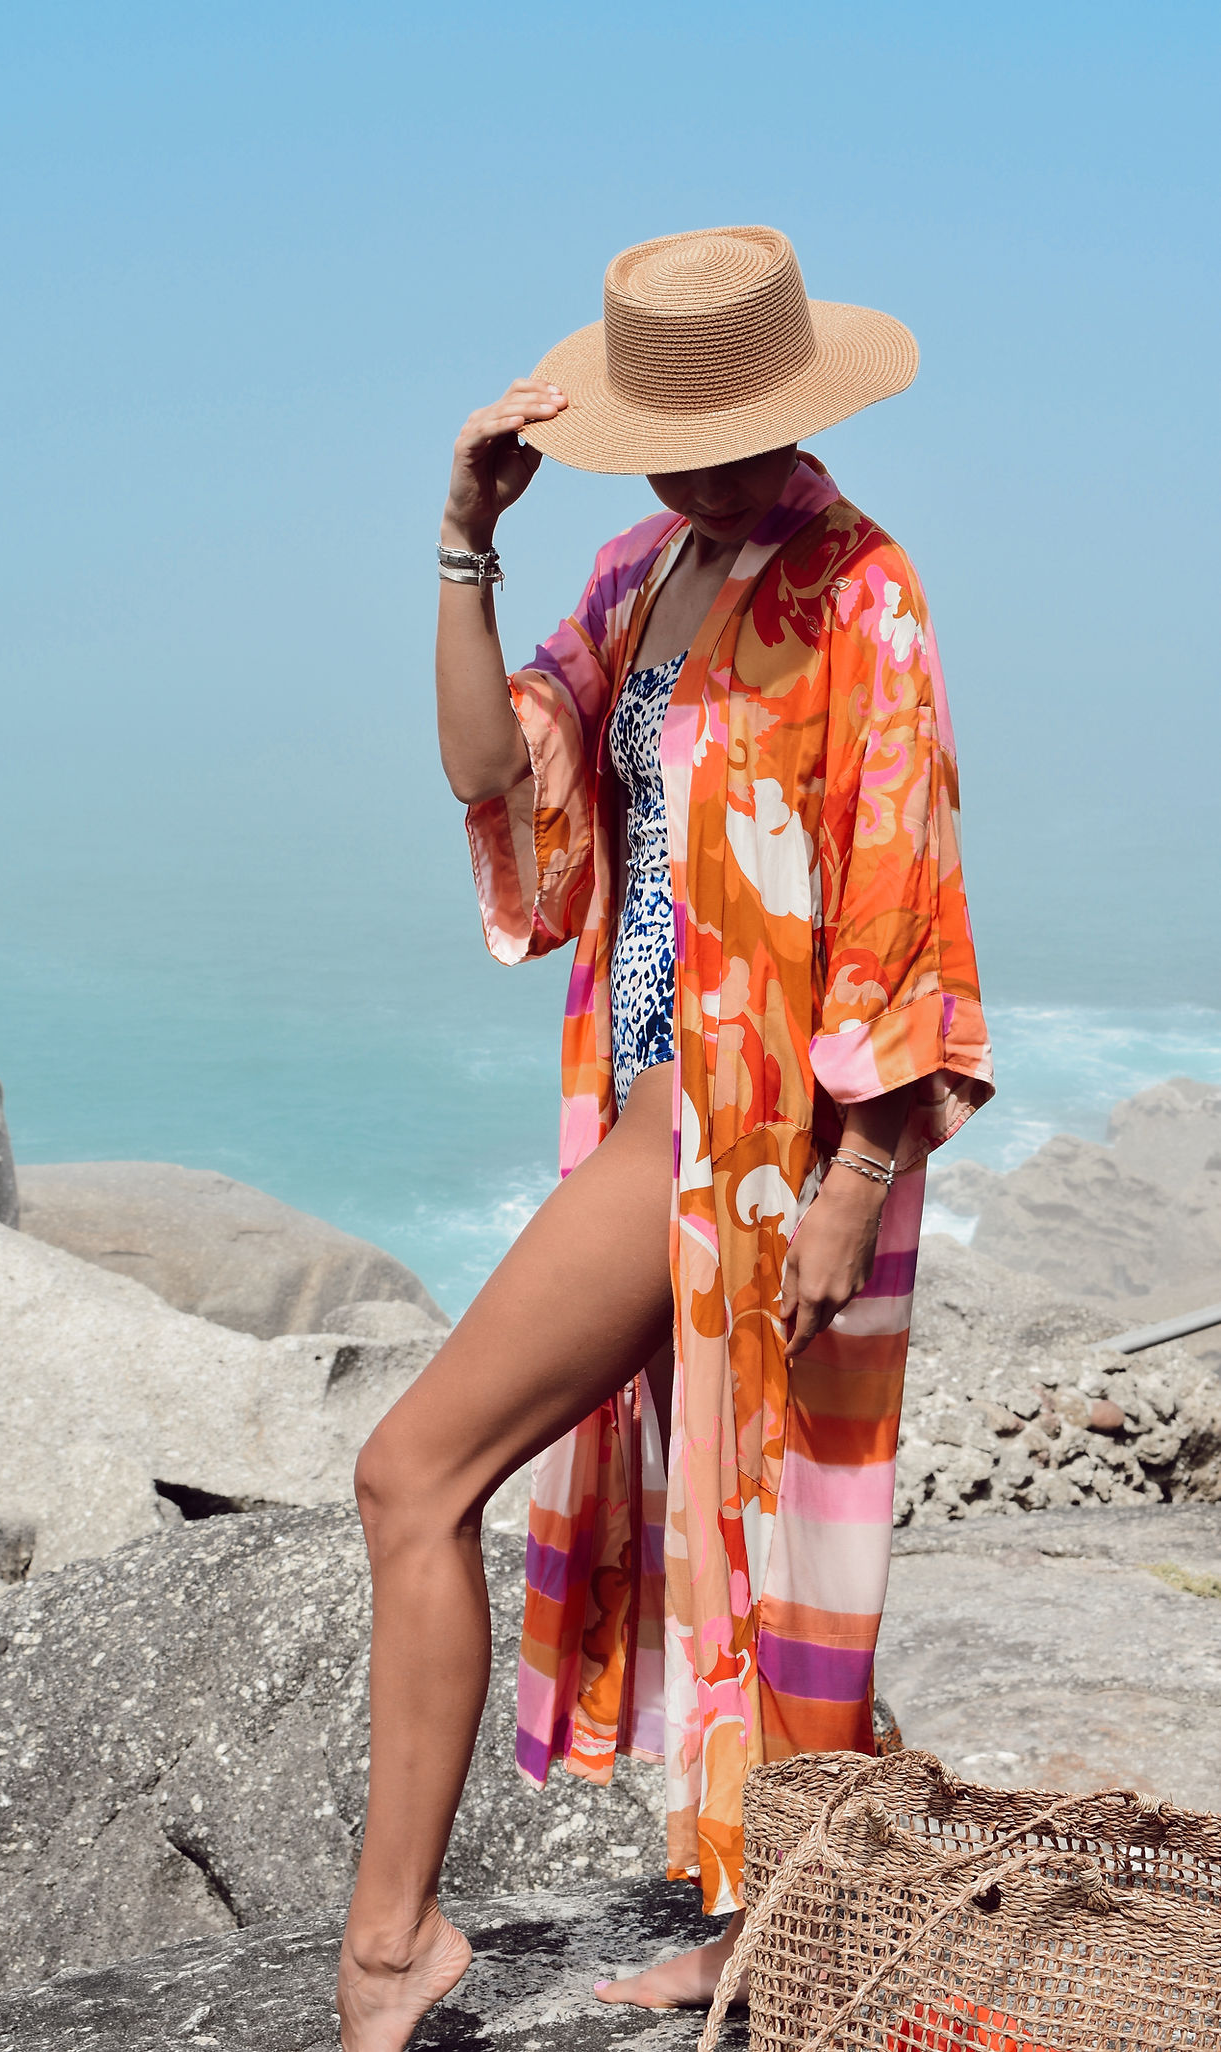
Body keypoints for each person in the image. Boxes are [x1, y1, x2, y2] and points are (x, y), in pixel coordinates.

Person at [336, 226, 993, 2052]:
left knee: (415, 1478)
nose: (697, 465)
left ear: (796, 404)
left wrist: (857, 1178)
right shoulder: (640, 565)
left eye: (729, 429)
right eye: (668, 435)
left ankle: (393, 1947)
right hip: (640, 1124)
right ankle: (773, 1921)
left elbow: (902, 895)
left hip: (758, 1147)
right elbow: (492, 779)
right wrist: (470, 543)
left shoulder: (866, 594)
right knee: (747, 1537)